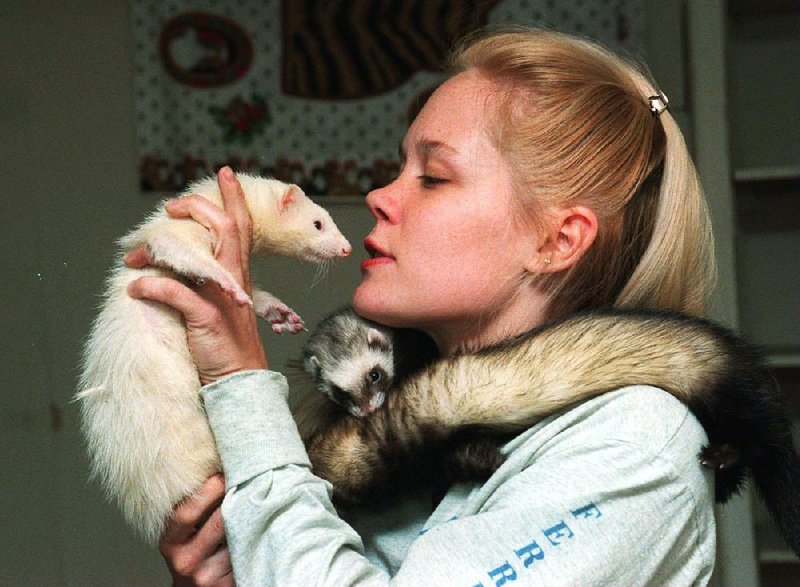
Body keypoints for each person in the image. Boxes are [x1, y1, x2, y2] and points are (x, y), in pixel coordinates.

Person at [126, 28, 717, 586]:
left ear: (556, 241)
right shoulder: (392, 424)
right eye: (398, 167)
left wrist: (240, 382)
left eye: (433, 176)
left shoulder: (632, 449)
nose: (378, 196)